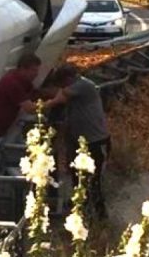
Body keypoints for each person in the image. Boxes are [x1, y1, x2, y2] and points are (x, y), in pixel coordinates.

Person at [44, 63, 110, 219]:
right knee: (76, 176)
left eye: (62, 84)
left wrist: (39, 105)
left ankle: (100, 216)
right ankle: (81, 210)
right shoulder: (76, 87)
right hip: (80, 141)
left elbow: (58, 98)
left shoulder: (83, 86)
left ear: (68, 79)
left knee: (94, 180)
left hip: (96, 141)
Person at [0, 53, 41, 152]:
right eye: (34, 70)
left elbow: (34, 93)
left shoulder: (19, 80)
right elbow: (30, 109)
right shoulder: (12, 82)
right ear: (23, 69)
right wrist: (54, 101)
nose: (36, 73)